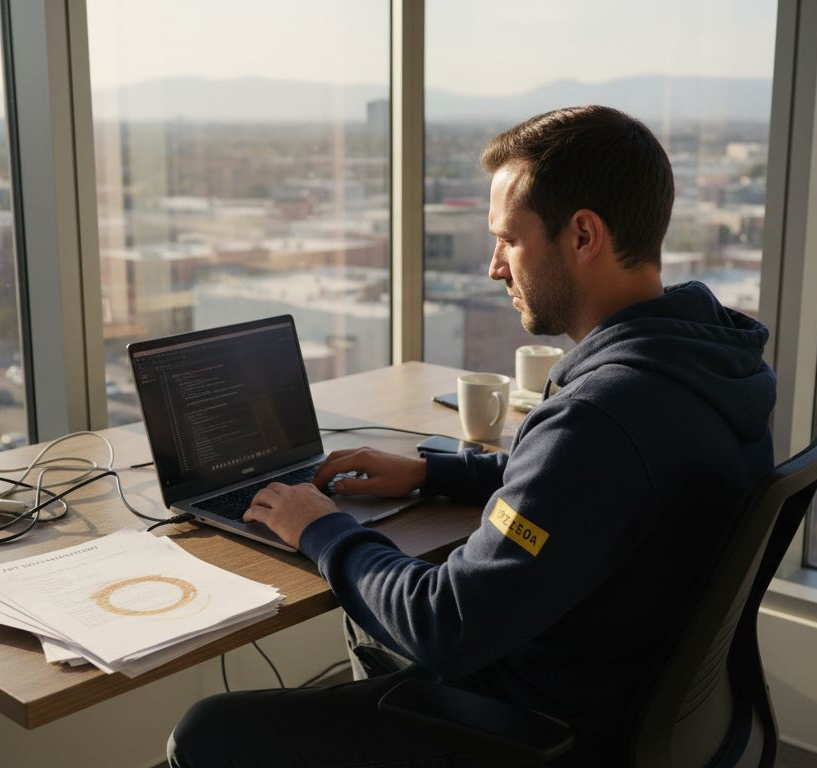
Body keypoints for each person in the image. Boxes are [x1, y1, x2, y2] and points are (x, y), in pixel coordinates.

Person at [167, 106, 777, 767]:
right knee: (375, 607)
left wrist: (322, 528)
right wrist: (434, 474)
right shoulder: (704, 364)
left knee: (205, 733)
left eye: (509, 241)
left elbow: (444, 625)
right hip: (622, 692)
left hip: (539, 727)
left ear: (582, 236)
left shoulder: (602, 417)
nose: (495, 268)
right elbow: (598, 490)